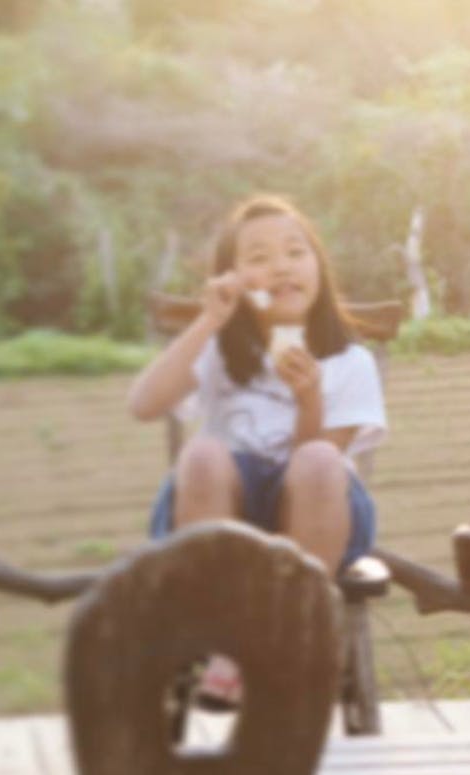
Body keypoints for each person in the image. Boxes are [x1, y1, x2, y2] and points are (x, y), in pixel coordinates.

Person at [128, 194, 385, 580]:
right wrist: (209, 320)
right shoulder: (215, 349)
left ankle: (301, 604)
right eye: (259, 258)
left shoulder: (350, 362)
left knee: (319, 458)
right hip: (217, 503)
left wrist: (309, 400)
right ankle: (215, 603)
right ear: (233, 279)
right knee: (202, 454)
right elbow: (143, 405)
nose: (281, 267)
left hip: (316, 514)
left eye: (295, 252)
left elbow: (315, 473)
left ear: (318, 267)